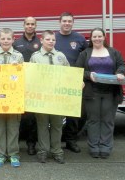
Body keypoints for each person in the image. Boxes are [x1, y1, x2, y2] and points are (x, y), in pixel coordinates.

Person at [76, 27, 125, 159]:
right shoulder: (85, 53)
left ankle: (105, 147)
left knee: (108, 120)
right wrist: (88, 75)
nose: (97, 39)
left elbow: (122, 65)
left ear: (104, 37)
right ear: (91, 38)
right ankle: (94, 146)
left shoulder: (114, 52)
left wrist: (120, 72)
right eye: (95, 36)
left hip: (111, 92)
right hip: (91, 92)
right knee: (93, 120)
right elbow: (78, 70)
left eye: (100, 36)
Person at [30, 30, 69, 164]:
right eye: (48, 39)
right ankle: (43, 151)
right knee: (42, 125)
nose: (51, 41)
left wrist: (76, 83)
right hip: (42, 98)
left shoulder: (61, 56)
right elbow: (31, 77)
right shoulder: (35, 57)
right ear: (41, 40)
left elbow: (68, 74)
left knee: (57, 125)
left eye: (53, 39)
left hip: (57, 97)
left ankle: (57, 151)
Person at [0, 28, 24, 167]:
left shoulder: (18, 56)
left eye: (9, 38)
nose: (6, 41)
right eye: (3, 38)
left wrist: (17, 68)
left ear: (13, 40)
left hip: (14, 97)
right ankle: (2, 154)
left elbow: (22, 76)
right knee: (0, 127)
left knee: (13, 127)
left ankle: (14, 154)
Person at [55, 12, 88, 153]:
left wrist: (83, 77)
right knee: (55, 111)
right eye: (64, 21)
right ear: (59, 22)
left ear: (73, 23)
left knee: (73, 113)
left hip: (74, 80)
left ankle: (70, 141)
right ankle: (54, 142)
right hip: (55, 80)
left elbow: (88, 58)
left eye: (69, 21)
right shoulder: (53, 38)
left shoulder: (80, 39)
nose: (67, 23)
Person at [13, 16, 41, 155]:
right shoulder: (16, 42)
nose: (30, 26)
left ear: (36, 26)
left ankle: (31, 144)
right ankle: (15, 145)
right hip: (18, 84)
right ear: (23, 25)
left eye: (32, 24)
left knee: (32, 117)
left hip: (35, 84)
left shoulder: (41, 42)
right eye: (27, 24)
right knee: (17, 116)